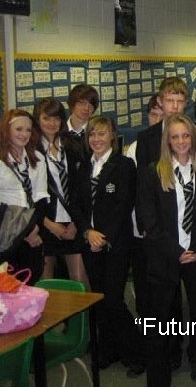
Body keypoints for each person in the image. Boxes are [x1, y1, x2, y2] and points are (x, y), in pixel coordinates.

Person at [135, 76, 196, 371]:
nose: (181, 141)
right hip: (165, 252)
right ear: (167, 141)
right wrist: (175, 251)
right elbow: (148, 215)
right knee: (164, 315)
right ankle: (167, 360)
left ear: (193, 139)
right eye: (175, 137)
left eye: (186, 136)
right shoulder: (152, 170)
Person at [69, 116, 144, 375]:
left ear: (112, 135)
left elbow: (124, 204)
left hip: (115, 244)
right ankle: (109, 349)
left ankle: (137, 352)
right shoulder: (83, 166)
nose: (96, 139)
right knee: (99, 299)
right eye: (92, 134)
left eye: (102, 134)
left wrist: (102, 237)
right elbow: (75, 204)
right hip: (89, 242)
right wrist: (87, 232)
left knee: (113, 299)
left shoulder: (124, 165)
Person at [0, 109, 48, 282]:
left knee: (31, 283)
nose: (24, 134)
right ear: (7, 130)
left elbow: (41, 198)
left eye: (28, 130)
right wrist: (23, 233)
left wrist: (33, 230)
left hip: (33, 232)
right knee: (6, 289)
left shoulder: (38, 159)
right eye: (19, 129)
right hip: (5, 236)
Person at [33, 98, 88, 287]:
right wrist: (49, 225)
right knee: (46, 282)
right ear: (38, 120)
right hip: (45, 223)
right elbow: (30, 193)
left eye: (56, 118)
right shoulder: (31, 150)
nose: (52, 123)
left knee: (80, 281)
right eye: (46, 118)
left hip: (72, 222)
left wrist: (76, 222)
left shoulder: (72, 144)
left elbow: (81, 187)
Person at [125, 95, 164, 321]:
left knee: (161, 286)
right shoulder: (136, 146)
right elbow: (135, 189)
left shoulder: (174, 142)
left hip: (163, 228)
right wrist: (143, 224)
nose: (156, 120)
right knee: (143, 280)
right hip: (140, 227)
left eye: (161, 115)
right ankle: (145, 326)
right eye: (153, 115)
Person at [66, 84, 99, 155]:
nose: (86, 108)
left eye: (91, 105)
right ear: (72, 104)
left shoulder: (98, 132)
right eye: (82, 103)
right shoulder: (59, 130)